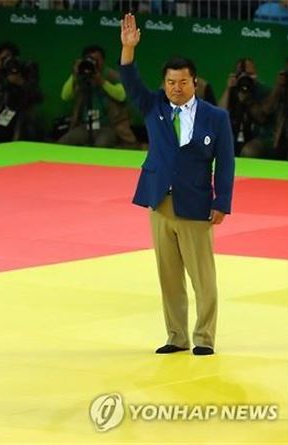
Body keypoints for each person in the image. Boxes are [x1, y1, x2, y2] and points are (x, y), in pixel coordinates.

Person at [119, 13, 235, 356]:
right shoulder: (153, 105)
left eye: (182, 82)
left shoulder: (216, 117)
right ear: (164, 83)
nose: (176, 88)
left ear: (194, 83)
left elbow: (226, 162)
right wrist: (128, 49)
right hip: (160, 201)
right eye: (170, 82)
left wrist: (222, 201)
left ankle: (204, 338)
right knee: (169, 277)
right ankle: (176, 336)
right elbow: (129, 80)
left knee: (203, 279)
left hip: (197, 203)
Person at [58, 44, 137, 148]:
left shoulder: (111, 75)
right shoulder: (82, 76)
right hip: (84, 126)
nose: (93, 62)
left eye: (96, 59)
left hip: (107, 127)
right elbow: (65, 96)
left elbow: (122, 95)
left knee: (101, 146)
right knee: (64, 143)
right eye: (89, 59)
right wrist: (75, 75)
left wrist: (102, 82)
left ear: (103, 61)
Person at [0, 41, 43, 145]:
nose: (8, 61)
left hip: (26, 113)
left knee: (29, 133)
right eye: (3, 59)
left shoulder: (26, 68)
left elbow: (37, 97)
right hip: (6, 113)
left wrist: (20, 82)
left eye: (10, 57)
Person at [218, 58, 272, 157]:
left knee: (249, 151)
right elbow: (219, 114)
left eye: (249, 74)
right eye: (241, 74)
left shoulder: (263, 91)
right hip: (234, 136)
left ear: (256, 75)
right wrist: (228, 89)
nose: (245, 77)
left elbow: (262, 118)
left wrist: (248, 101)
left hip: (258, 136)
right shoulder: (233, 89)